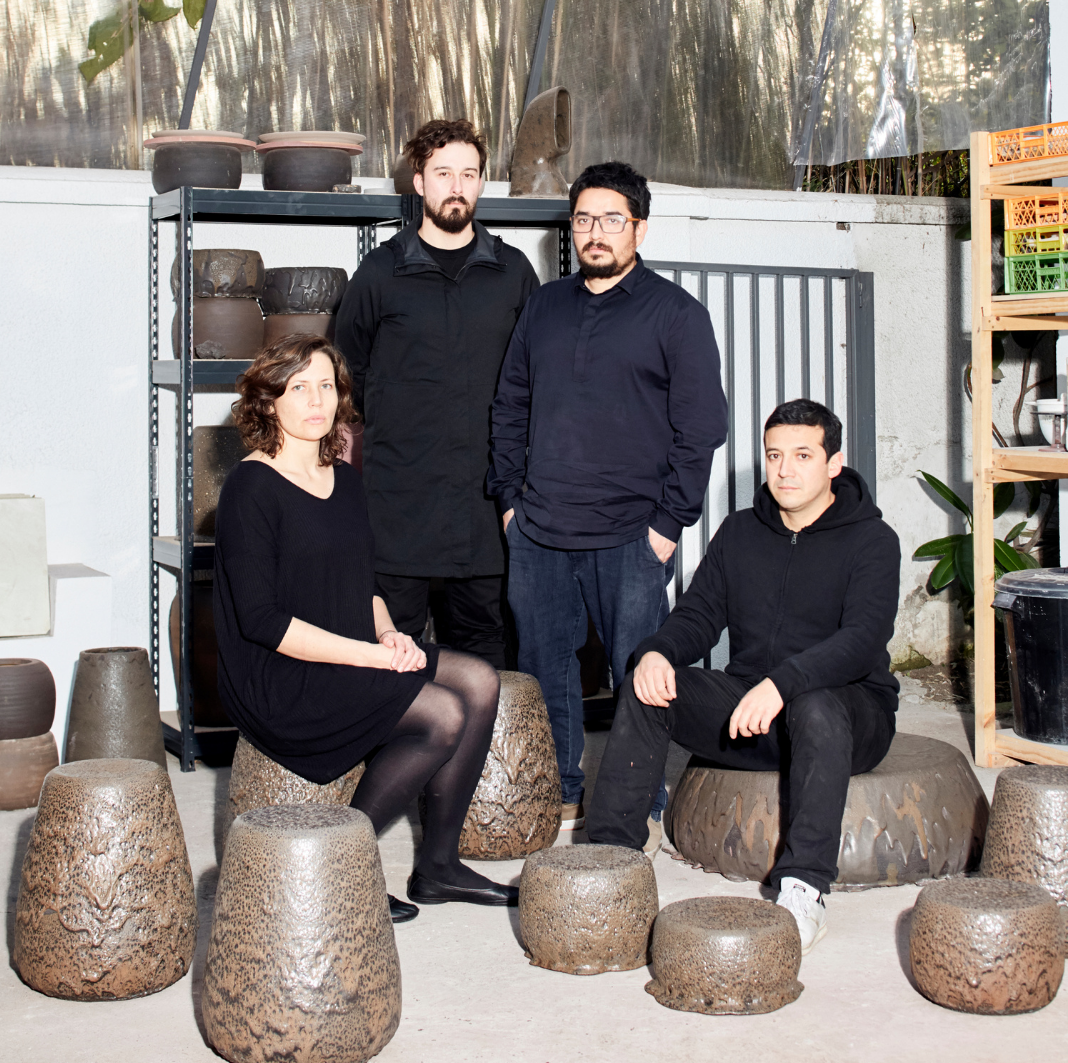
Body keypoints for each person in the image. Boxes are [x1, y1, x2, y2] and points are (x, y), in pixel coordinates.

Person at [213, 334, 518, 924]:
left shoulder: (345, 478)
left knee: (479, 680)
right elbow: (262, 622)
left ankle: (438, 866)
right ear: (268, 400)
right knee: (443, 714)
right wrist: (371, 658)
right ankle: (340, 865)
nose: (315, 400)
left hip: (349, 648)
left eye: (325, 385)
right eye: (298, 387)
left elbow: (363, 581)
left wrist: (387, 636)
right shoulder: (250, 489)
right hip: (282, 675)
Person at [586, 399, 901, 953]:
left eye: (803, 455)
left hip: (848, 716)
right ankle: (614, 858)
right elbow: (698, 616)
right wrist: (657, 651)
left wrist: (783, 683)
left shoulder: (873, 541)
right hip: (754, 713)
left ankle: (804, 889)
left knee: (816, 704)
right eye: (775, 455)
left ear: (834, 463)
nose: (785, 469)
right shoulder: (739, 534)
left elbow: (861, 642)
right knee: (646, 680)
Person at [488, 161, 728, 841]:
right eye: (585, 219)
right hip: (539, 530)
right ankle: (561, 790)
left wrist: (667, 523)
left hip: (631, 533)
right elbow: (509, 404)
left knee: (638, 675)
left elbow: (703, 425)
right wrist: (510, 502)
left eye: (612, 220)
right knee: (543, 670)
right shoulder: (544, 306)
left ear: (639, 228)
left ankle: (638, 798)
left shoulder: (676, 315)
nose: (596, 233)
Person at [335, 118, 539, 669]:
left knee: (486, 663)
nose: (456, 186)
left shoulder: (514, 274)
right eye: (442, 173)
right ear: (419, 182)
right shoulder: (380, 273)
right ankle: (398, 758)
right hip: (398, 509)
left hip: (486, 514)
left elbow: (537, 383)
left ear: (480, 183)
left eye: (468, 174)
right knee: (388, 656)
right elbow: (344, 377)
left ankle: (475, 761)